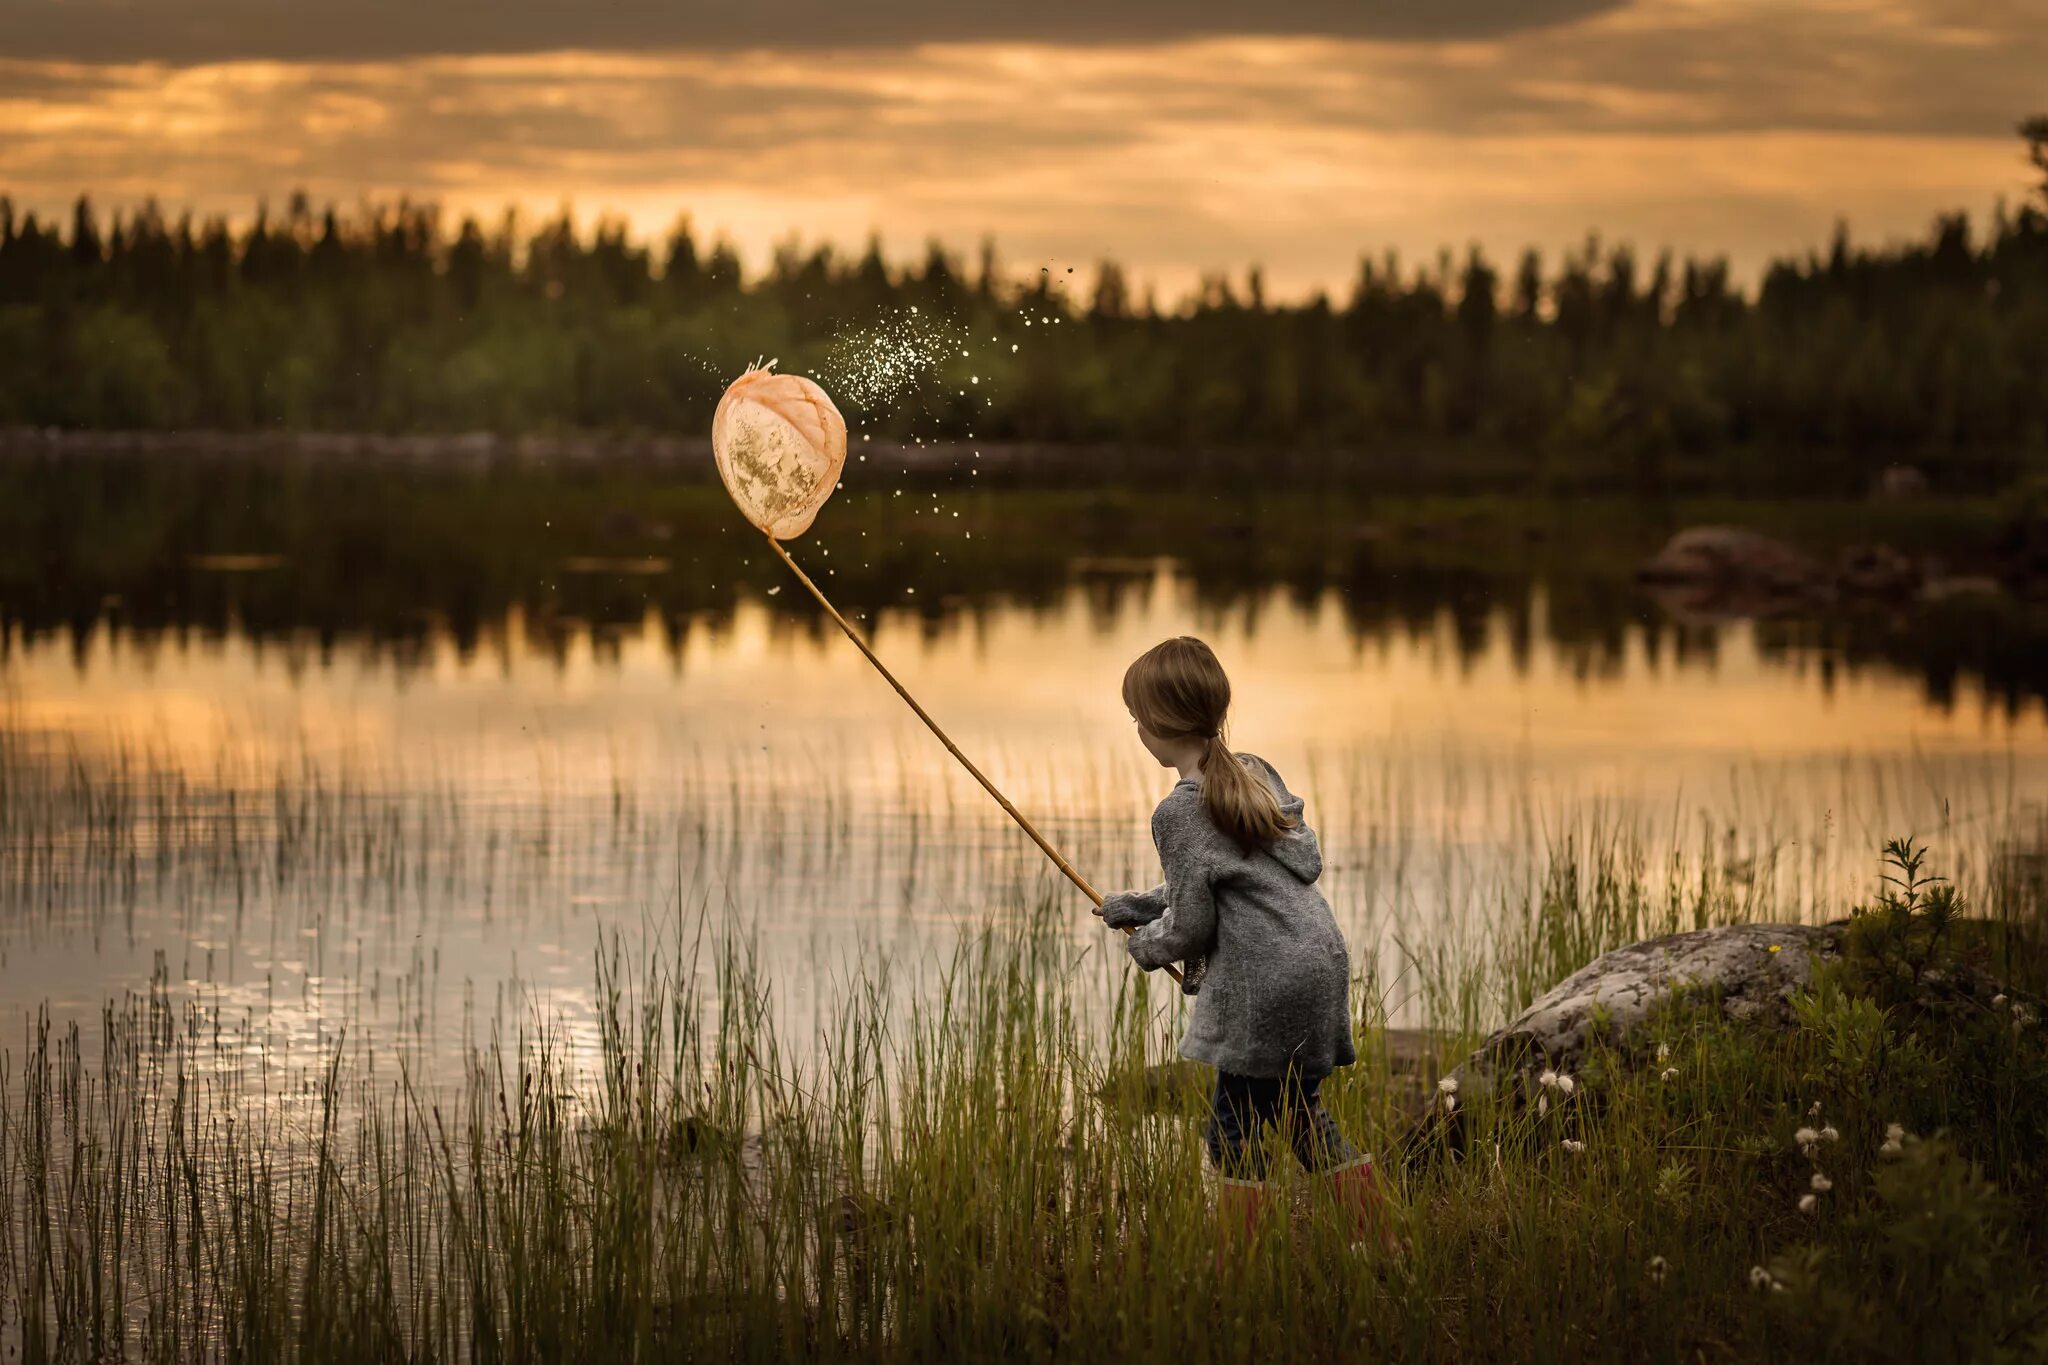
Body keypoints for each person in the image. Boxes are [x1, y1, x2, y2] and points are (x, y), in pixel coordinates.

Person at [1097, 636, 1390, 1263]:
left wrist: (1148, 946)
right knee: (1300, 1115)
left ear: (1155, 726)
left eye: (1136, 716)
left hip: (1265, 981)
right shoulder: (1252, 771)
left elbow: (1194, 926)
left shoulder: (1176, 814)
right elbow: (1238, 876)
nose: (1136, 728)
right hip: (1317, 961)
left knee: (1232, 1132)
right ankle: (1384, 1239)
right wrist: (1142, 905)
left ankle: (1242, 1266)